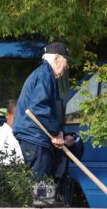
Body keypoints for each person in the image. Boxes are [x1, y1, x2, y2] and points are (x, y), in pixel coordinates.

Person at [13, 42, 71, 179]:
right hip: (35, 138)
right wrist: (56, 132)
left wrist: (59, 133)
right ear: (56, 58)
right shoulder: (45, 75)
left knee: (41, 186)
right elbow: (38, 108)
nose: (67, 67)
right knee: (40, 189)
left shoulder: (45, 74)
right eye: (66, 62)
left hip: (35, 137)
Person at [0, 99, 24, 163]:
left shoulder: (25, 135)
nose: (18, 121)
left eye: (20, 118)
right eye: (15, 118)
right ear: (7, 115)